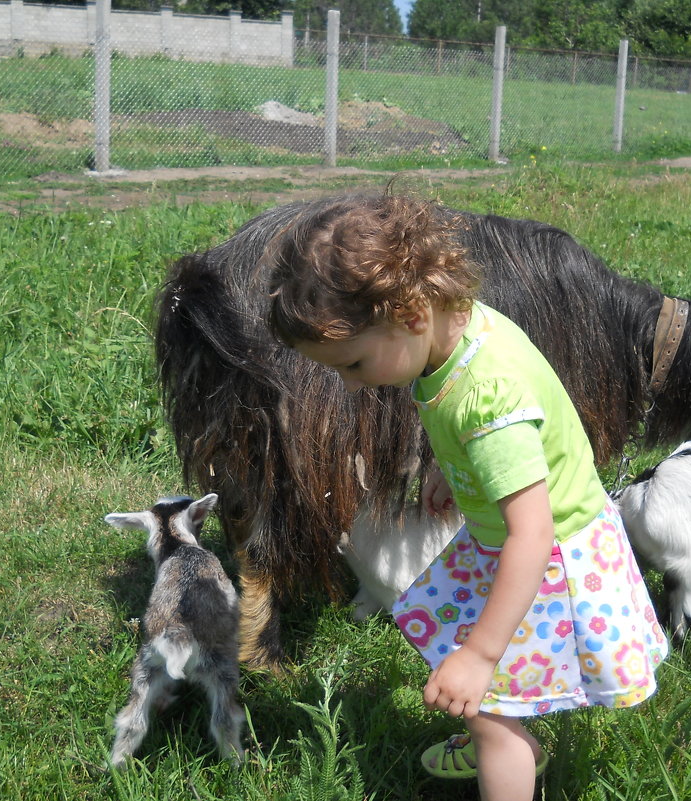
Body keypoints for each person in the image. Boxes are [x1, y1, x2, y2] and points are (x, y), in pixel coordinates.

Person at [266, 194, 668, 801]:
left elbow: (531, 534)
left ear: (408, 314)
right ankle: (503, 721)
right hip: (524, 541)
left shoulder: (488, 401)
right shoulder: (462, 330)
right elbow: (501, 450)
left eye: (352, 362)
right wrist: (456, 471)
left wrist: (483, 656)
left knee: (489, 712)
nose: (349, 382)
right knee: (463, 660)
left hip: (544, 560)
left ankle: (507, 749)